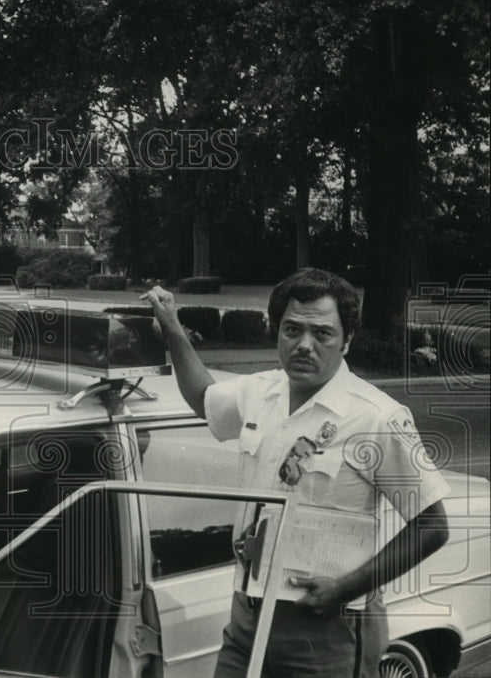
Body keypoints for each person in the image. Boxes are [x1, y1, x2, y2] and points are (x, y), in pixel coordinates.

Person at [141, 268, 450, 678]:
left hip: (324, 626)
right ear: (277, 333)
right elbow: (204, 400)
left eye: (322, 333)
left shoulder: (377, 417)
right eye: (292, 330)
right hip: (247, 616)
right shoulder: (260, 391)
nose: (304, 345)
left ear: (347, 341)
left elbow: (432, 525)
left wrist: (346, 588)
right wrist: (172, 327)